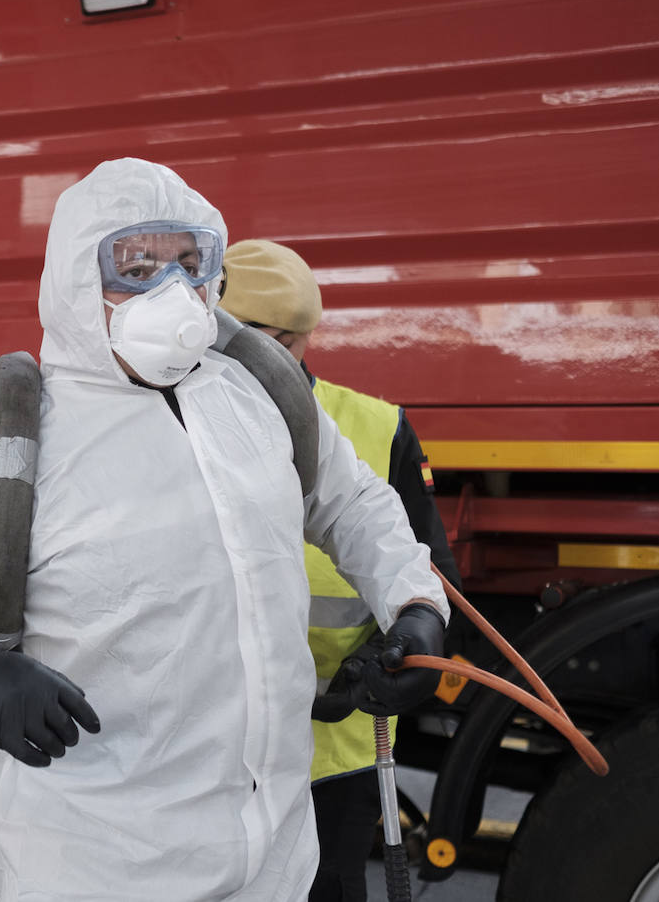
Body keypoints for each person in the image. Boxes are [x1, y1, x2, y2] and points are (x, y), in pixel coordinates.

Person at [0, 157, 449, 901]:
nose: (169, 290)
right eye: (133, 267)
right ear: (73, 279)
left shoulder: (256, 399)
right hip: (92, 867)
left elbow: (356, 504)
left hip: (274, 857)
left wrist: (414, 605)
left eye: (189, 264)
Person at [219, 238, 464, 902]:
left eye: (272, 343)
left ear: (299, 341)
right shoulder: (174, 422)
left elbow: (431, 577)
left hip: (331, 760)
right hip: (207, 753)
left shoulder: (371, 429)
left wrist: (408, 644)